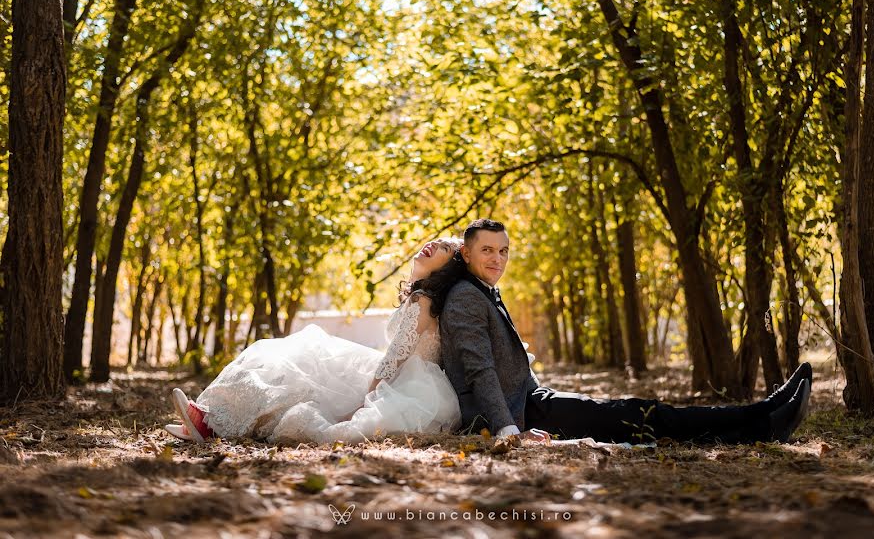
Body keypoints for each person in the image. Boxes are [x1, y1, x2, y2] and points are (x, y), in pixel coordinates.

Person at [439, 218, 812, 446]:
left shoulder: (481, 292)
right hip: (523, 413)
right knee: (641, 416)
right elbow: (479, 369)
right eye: (487, 250)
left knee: (638, 414)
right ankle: (763, 420)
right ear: (466, 255)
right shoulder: (465, 298)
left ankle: (764, 412)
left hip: (533, 402)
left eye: (503, 251)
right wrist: (508, 431)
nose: (497, 259)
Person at [165, 237, 465, 444]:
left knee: (303, 358)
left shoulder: (423, 301)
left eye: (445, 249)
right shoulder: (422, 297)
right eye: (436, 240)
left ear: (448, 268)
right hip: (400, 378)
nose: (434, 244)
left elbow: (394, 360)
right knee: (298, 363)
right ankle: (211, 421)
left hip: (403, 384)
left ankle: (211, 423)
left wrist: (366, 401)